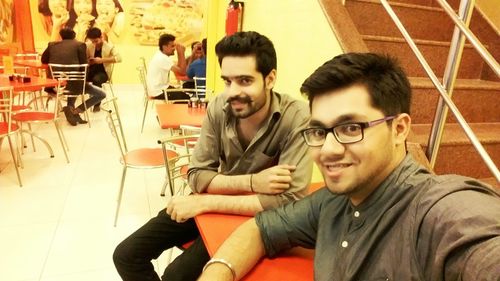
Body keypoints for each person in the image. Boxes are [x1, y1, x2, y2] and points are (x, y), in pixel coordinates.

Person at [198, 53, 500, 281]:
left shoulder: (435, 211)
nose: (328, 150)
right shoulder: (334, 200)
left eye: (351, 128)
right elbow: (260, 229)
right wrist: (217, 272)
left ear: (399, 129)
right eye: (318, 131)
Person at [113, 31, 313, 281]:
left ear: (270, 78)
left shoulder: (297, 117)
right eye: (228, 81)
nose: (232, 92)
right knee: (126, 255)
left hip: (253, 219)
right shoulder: (219, 106)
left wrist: (207, 201)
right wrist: (253, 182)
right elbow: (196, 175)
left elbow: (289, 201)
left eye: (245, 81)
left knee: (176, 276)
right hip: (220, 200)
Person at [41, 28, 106, 126]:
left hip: (57, 84)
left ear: (61, 36)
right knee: (101, 94)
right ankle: (76, 111)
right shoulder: (80, 45)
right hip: (74, 83)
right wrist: (85, 80)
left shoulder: (51, 45)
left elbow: (43, 60)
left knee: (74, 83)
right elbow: (84, 65)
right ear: (74, 36)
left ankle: (71, 110)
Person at [85, 26, 121, 112]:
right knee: (79, 79)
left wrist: (102, 60)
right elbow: (84, 59)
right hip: (90, 70)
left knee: (96, 80)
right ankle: (73, 107)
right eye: (92, 41)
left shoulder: (109, 46)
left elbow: (119, 58)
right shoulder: (88, 45)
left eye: (96, 41)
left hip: (103, 72)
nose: (94, 43)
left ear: (101, 37)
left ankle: (96, 104)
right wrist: (89, 61)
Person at [146, 33, 190, 101]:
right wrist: (181, 53)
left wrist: (180, 53)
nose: (174, 49)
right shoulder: (162, 58)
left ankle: (174, 110)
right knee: (186, 98)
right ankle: (174, 111)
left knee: (183, 94)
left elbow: (179, 67)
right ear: (164, 47)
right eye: (172, 46)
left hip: (158, 89)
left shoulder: (160, 55)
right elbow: (183, 72)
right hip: (159, 91)